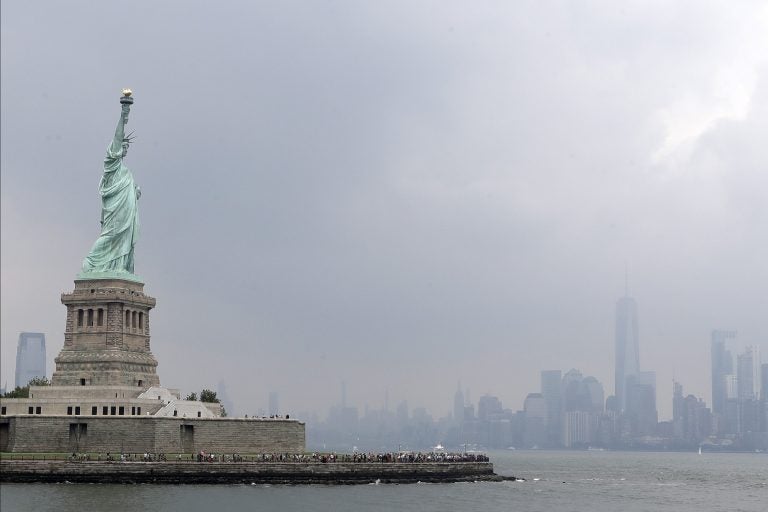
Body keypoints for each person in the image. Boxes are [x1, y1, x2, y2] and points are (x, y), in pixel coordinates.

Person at [82, 98, 141, 274]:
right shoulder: (112, 164)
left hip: (125, 210)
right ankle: (91, 262)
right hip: (115, 210)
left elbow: (127, 188)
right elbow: (117, 137)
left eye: (126, 147)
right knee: (111, 235)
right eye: (123, 146)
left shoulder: (125, 170)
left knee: (122, 237)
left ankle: (119, 267)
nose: (125, 149)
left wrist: (134, 192)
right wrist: (125, 113)